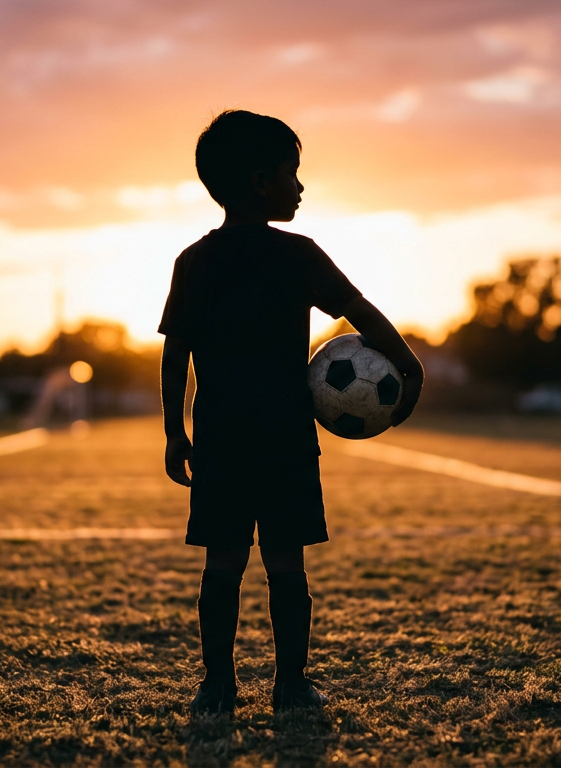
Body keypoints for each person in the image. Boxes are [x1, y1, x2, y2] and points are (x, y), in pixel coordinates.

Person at [159, 110, 424, 715]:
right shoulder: (298, 254)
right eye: (292, 173)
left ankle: (218, 688)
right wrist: (409, 365)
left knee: (222, 563)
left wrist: (176, 430)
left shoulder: (195, 260)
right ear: (260, 181)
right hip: (283, 438)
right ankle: (290, 685)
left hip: (221, 439)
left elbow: (177, 356)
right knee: (286, 564)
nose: (300, 187)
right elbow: (361, 312)